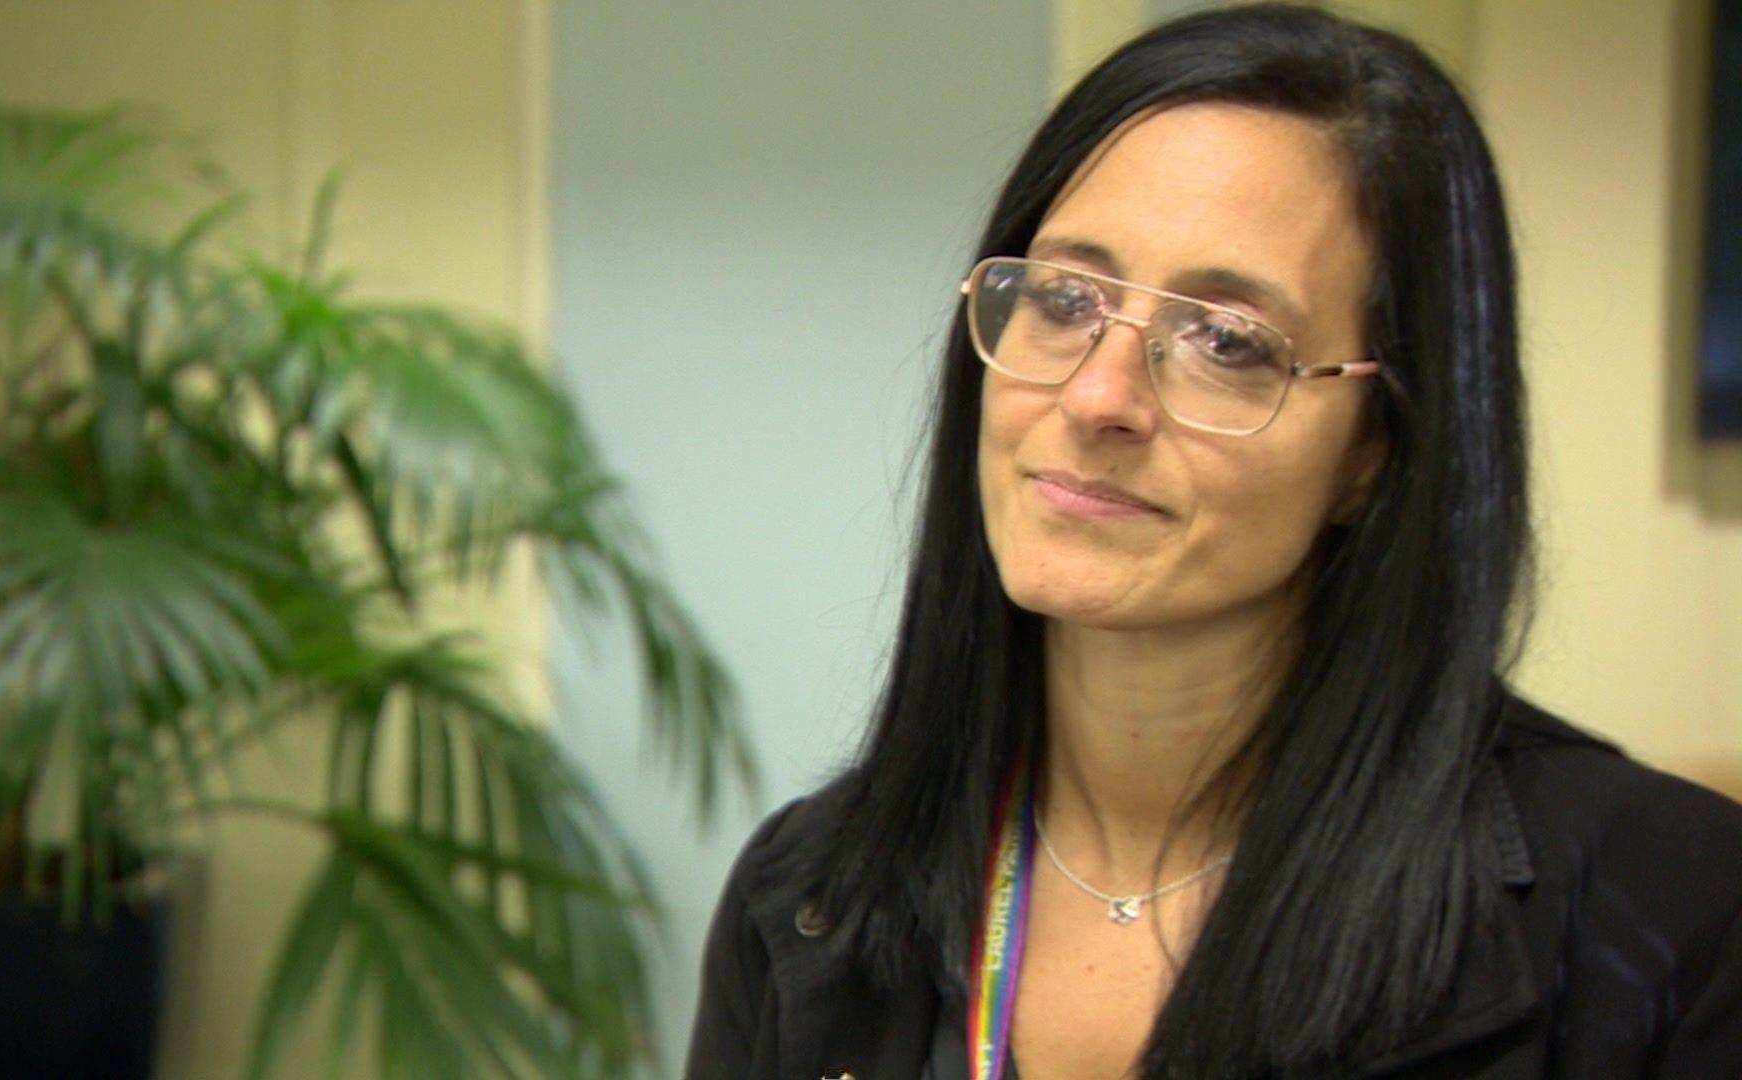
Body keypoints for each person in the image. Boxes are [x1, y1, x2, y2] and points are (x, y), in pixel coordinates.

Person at [684, 5, 1742, 1078]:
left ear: (1379, 449)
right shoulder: (812, 892)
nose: (1098, 396)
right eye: (1064, 297)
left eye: (1227, 341)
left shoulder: (1669, 909)